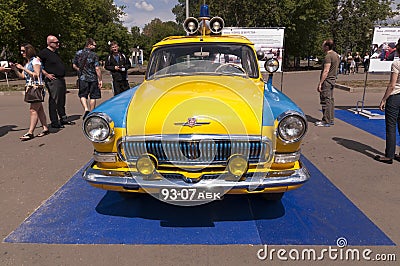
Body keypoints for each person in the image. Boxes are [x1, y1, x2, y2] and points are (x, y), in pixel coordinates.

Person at [11, 44, 49, 140]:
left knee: (33, 110)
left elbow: (36, 74)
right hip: (30, 88)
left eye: (23, 51)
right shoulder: (27, 62)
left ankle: (30, 132)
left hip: (36, 88)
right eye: (21, 51)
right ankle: (45, 128)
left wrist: (23, 68)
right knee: (39, 109)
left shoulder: (35, 61)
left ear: (29, 51)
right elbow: (23, 76)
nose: (22, 53)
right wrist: (15, 69)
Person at [39, 35, 74, 128]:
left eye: (58, 42)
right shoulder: (44, 53)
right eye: (56, 42)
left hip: (60, 79)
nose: (58, 44)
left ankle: (63, 118)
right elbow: (37, 64)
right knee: (54, 100)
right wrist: (46, 74)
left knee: (62, 100)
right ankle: (54, 121)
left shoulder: (55, 53)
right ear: (49, 43)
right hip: (53, 80)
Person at [374, 42, 400, 164]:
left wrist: (384, 99)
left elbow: (392, 85)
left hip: (395, 97)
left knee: (391, 126)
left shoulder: (396, 63)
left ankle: (389, 155)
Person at [72, 38, 102, 120]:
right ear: (89, 45)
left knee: (82, 95)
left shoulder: (78, 53)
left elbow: (74, 65)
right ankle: (91, 113)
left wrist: (79, 70)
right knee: (93, 96)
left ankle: (86, 109)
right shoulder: (94, 55)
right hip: (93, 79)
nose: (95, 47)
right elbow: (97, 68)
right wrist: (100, 79)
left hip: (82, 78)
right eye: (94, 45)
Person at [315, 39, 340, 127]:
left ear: (326, 46)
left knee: (325, 100)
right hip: (332, 80)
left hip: (327, 80)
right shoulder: (336, 55)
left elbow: (326, 70)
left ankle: (326, 120)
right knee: (330, 100)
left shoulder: (328, 56)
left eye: (323, 45)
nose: (322, 47)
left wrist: (320, 83)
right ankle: (330, 119)